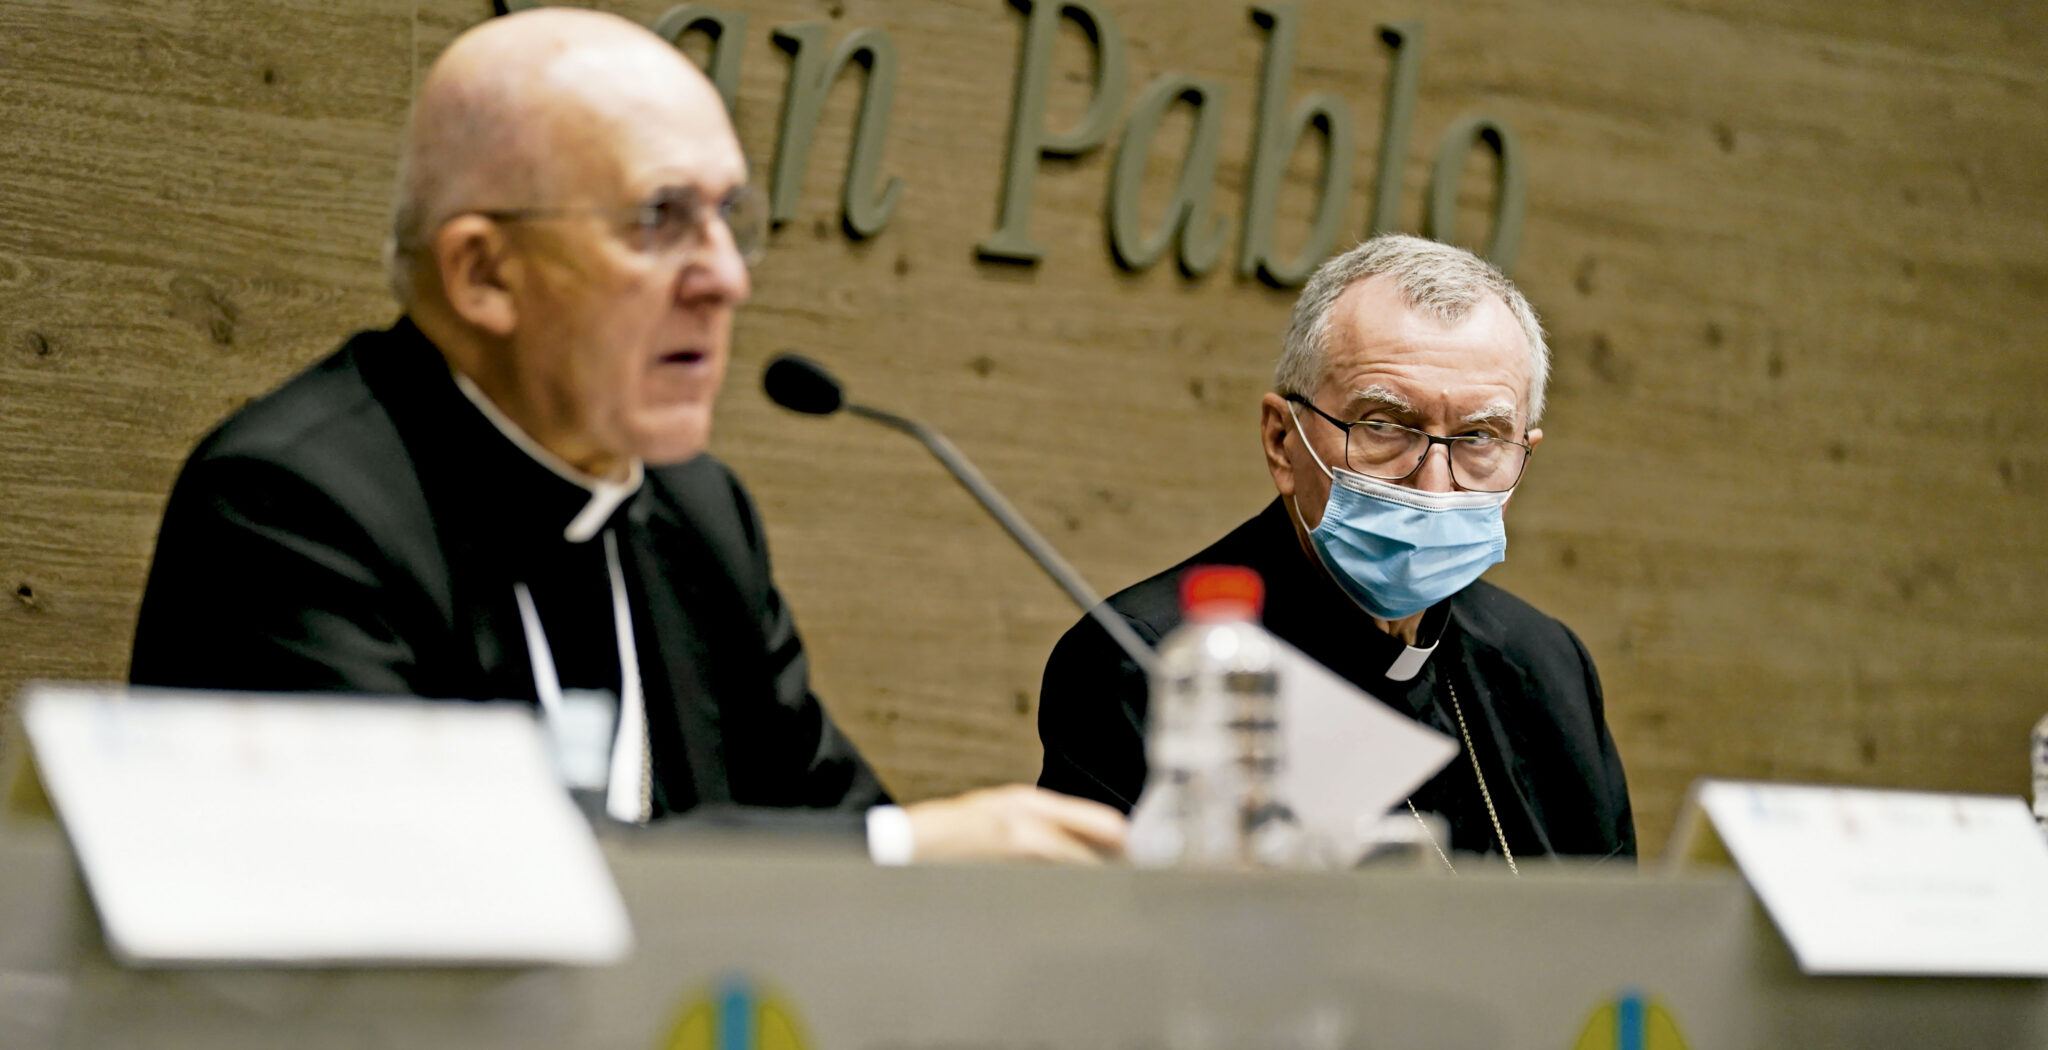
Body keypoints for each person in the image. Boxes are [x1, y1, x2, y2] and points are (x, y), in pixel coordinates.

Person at [129, 8, 1124, 865]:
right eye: (660, 219)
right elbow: (419, 884)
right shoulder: (292, 508)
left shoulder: (696, 510)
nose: (726, 277)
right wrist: (901, 850)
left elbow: (820, 823)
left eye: (729, 217)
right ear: (483, 273)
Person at [1037, 235, 1634, 865]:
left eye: (1480, 436)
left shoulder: (1548, 665)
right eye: (1383, 425)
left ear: (1523, 455)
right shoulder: (1151, 664)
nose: (1435, 484)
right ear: (1282, 440)